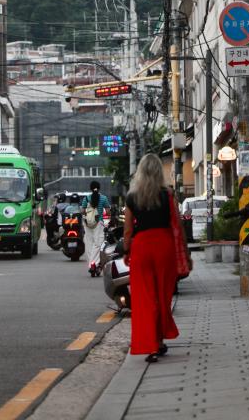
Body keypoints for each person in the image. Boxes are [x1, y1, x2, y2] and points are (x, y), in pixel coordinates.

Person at [123, 153, 187, 362]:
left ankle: (149, 345)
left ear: (140, 172)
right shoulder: (167, 195)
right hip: (164, 246)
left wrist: (126, 251)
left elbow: (127, 230)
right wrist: (184, 254)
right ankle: (159, 341)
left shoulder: (132, 197)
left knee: (144, 298)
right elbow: (177, 225)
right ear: (160, 171)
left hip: (141, 248)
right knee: (162, 296)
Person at [81, 180, 110, 277]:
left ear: (90, 188)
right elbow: (108, 211)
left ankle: (91, 264)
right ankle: (94, 264)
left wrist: (89, 216)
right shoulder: (104, 198)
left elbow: (82, 211)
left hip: (88, 224)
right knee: (98, 244)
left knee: (89, 243)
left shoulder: (86, 198)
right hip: (99, 223)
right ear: (99, 188)